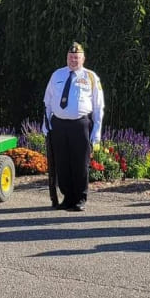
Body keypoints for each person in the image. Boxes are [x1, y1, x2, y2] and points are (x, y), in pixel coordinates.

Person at [42, 42, 105, 212]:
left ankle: (80, 198)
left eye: (77, 57)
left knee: (80, 163)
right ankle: (67, 198)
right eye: (71, 57)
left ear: (83, 59)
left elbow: (98, 106)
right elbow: (47, 101)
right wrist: (45, 123)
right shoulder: (57, 75)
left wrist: (96, 132)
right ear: (67, 57)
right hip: (59, 125)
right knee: (62, 163)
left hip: (80, 125)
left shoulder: (91, 77)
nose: (73, 60)